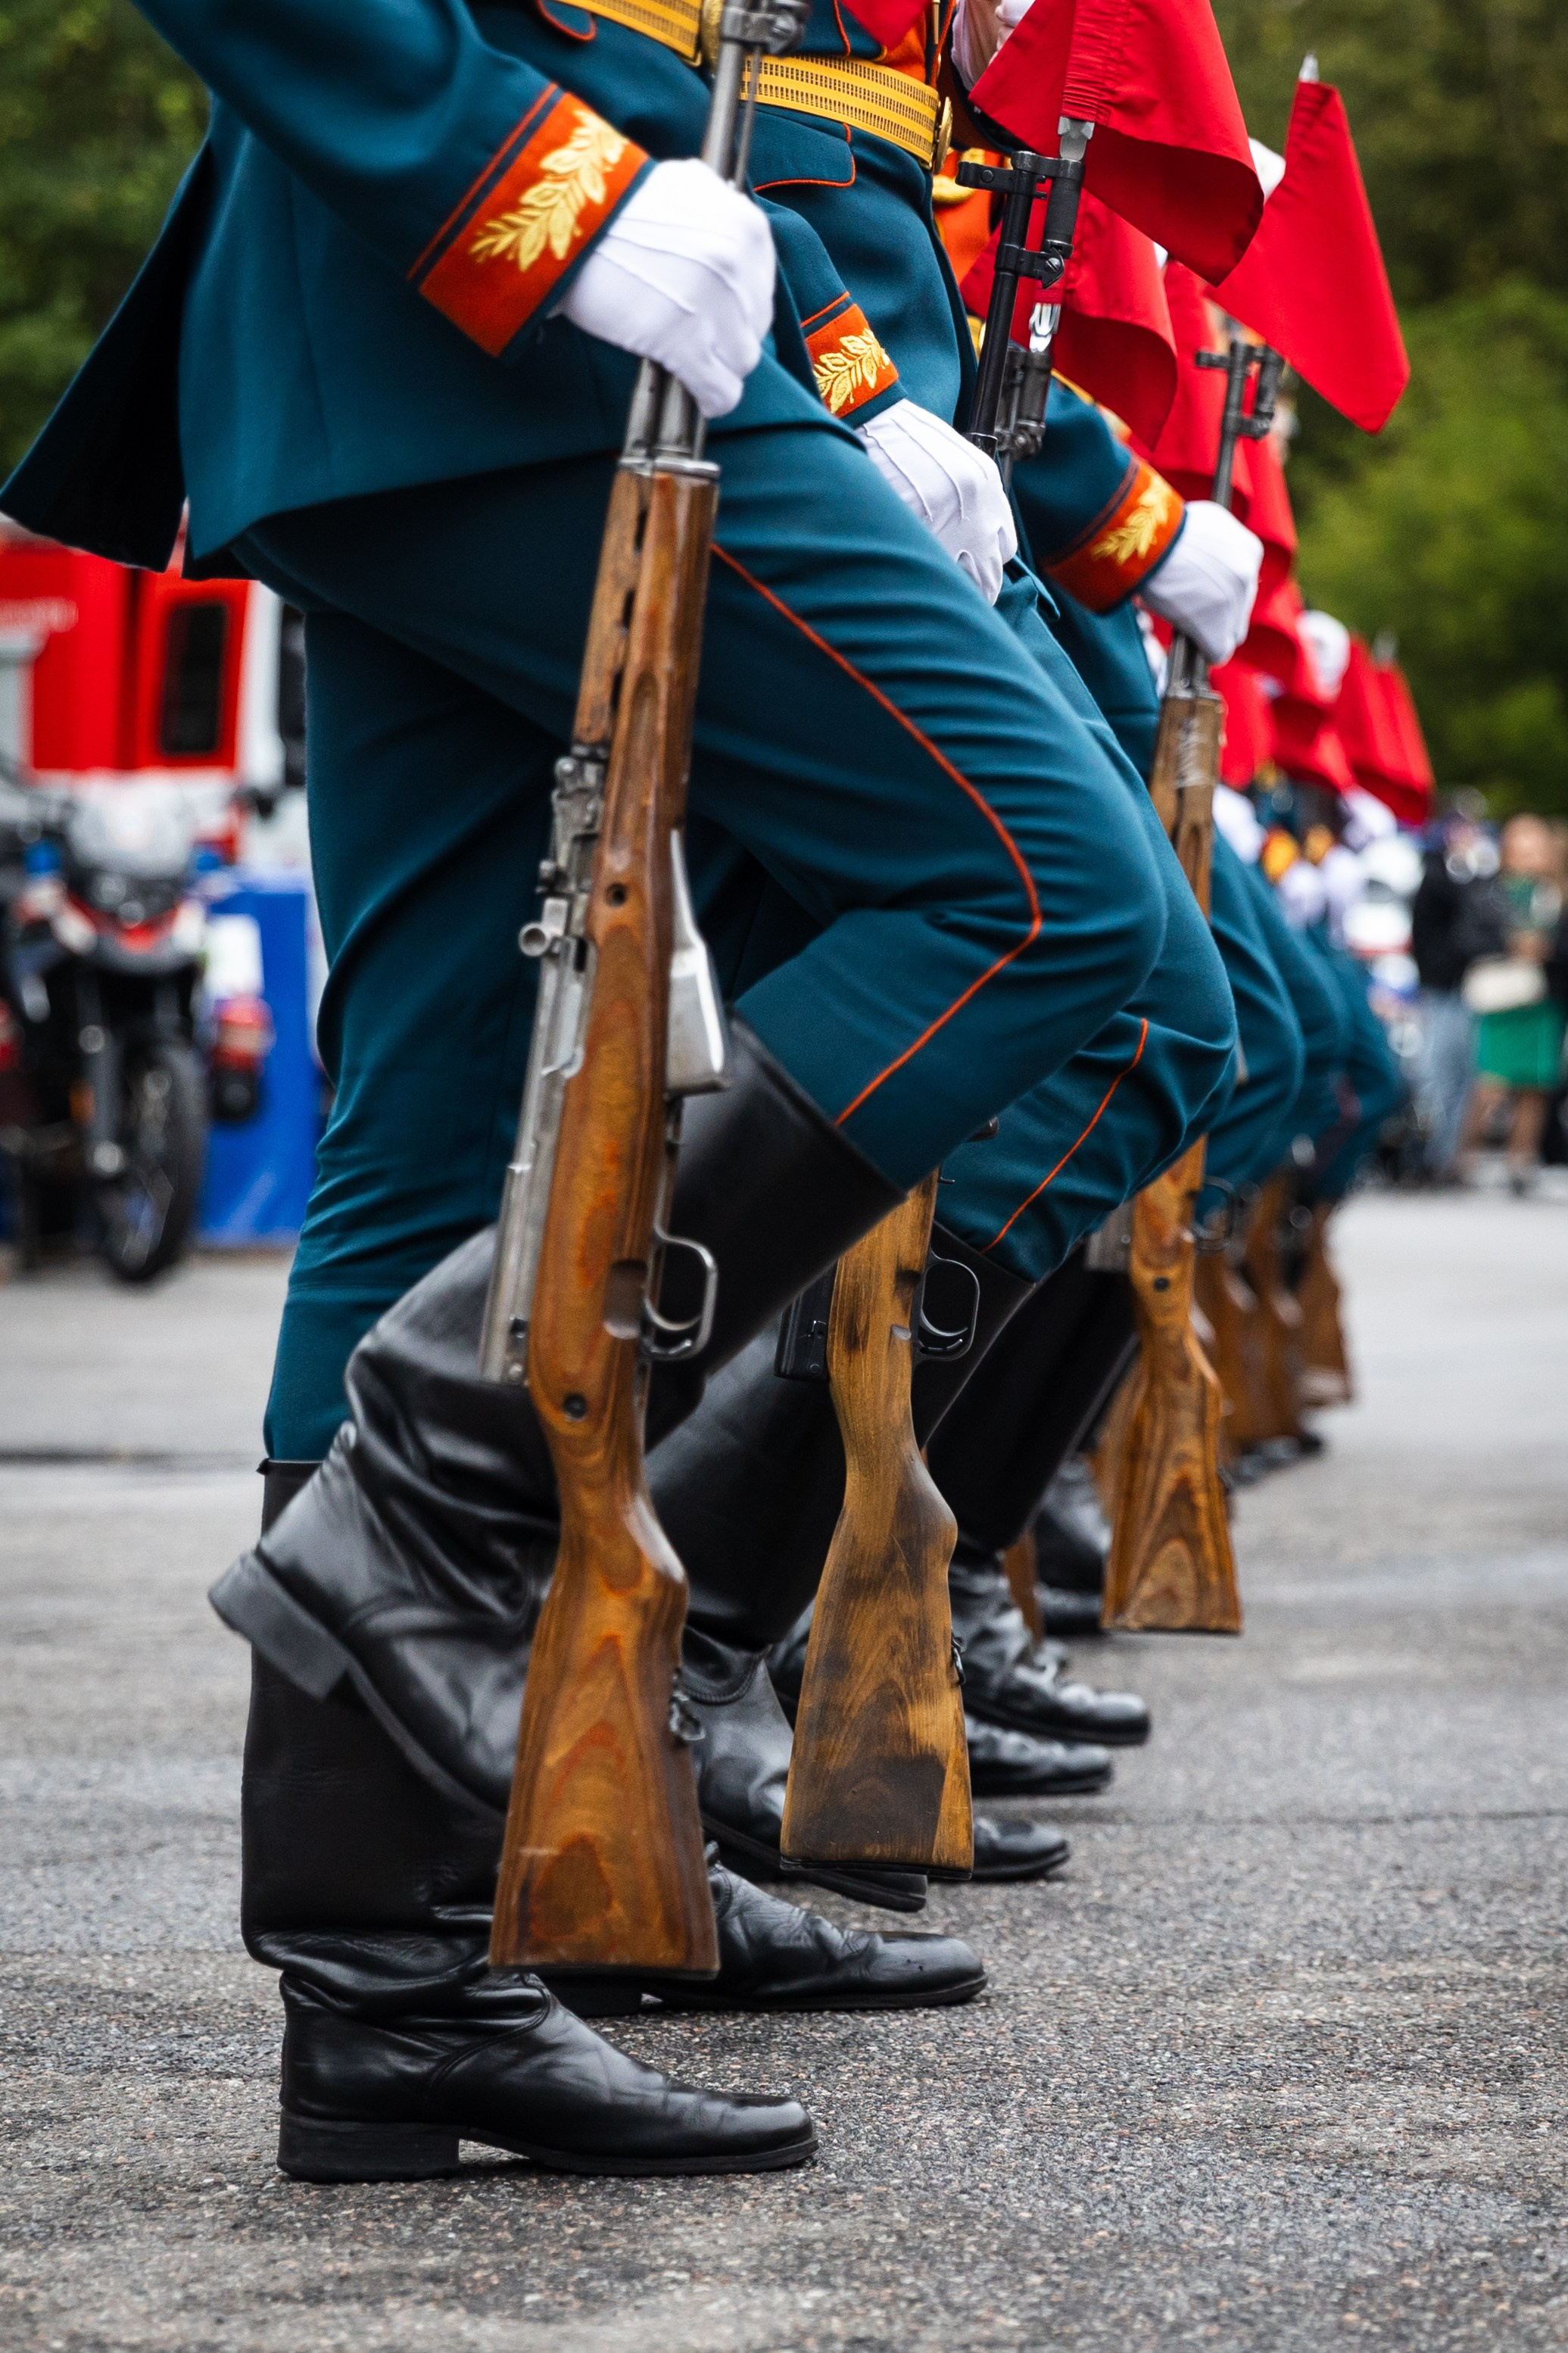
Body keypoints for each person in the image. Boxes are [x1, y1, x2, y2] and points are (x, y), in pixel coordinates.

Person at [6, 0, 1248, 2180]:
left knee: (434, 1133)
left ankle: (397, 1974)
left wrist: (842, 369)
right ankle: (432, 1504)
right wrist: (531, 187)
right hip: (509, 270)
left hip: (478, 300)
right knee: (1052, 899)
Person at [1459, 815, 1567, 1194]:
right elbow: (1468, 940)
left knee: (1535, 1085)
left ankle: (1520, 1163)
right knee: (1491, 1082)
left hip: (1544, 997)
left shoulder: (1556, 894)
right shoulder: (1490, 891)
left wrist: (1548, 950)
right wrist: (1510, 945)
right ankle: (1463, 1159)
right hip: (1504, 998)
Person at [1410, 815, 1493, 1181]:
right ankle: (1428, 1153)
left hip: (1472, 987)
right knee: (1435, 1072)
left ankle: (1446, 1155)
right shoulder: (1438, 876)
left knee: (1463, 1075)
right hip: (1442, 986)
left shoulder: (1479, 877)